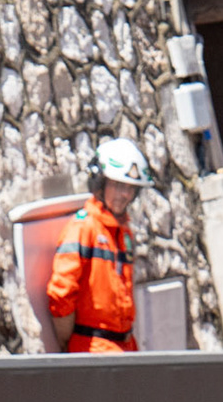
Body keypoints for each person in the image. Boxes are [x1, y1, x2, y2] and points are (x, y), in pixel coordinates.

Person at [46, 137, 154, 353]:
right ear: (99, 184)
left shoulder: (122, 232)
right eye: (118, 185)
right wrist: (67, 343)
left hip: (125, 346)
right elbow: (61, 293)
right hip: (93, 348)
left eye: (131, 188)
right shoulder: (83, 228)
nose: (125, 194)